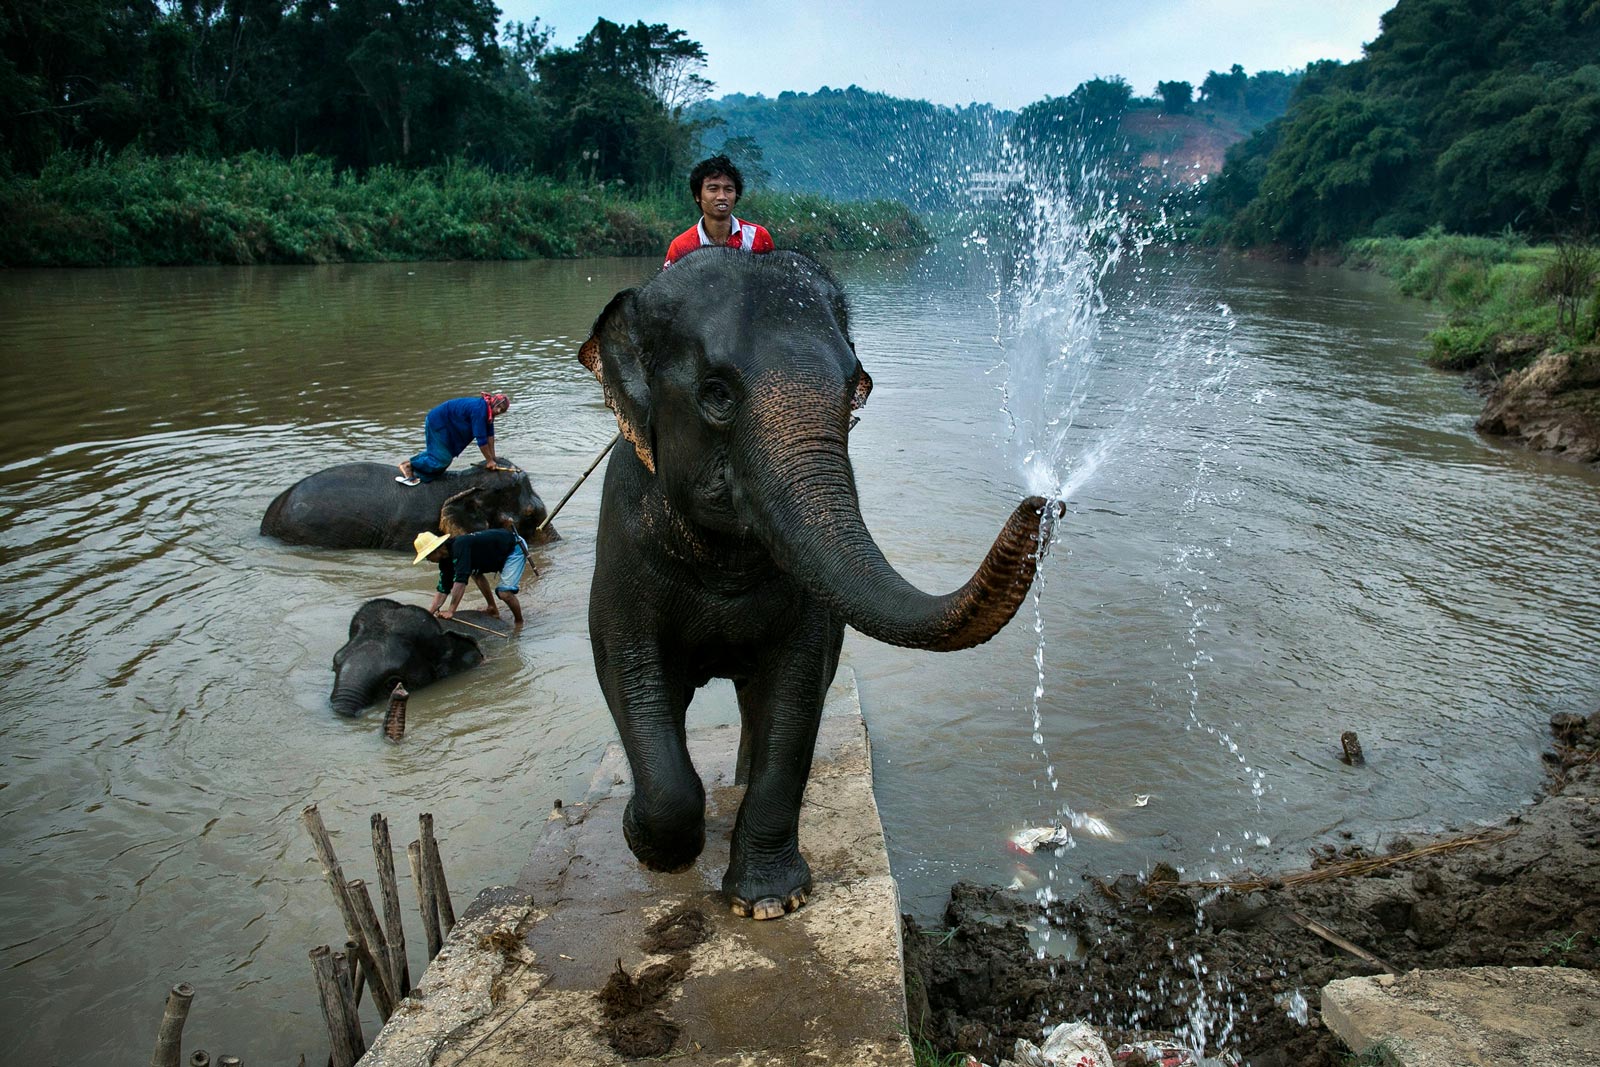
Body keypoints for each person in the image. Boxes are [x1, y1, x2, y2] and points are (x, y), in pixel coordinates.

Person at [662, 155, 774, 268]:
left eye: (729, 189)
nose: (722, 196)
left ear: (736, 195)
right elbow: (668, 285)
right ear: (697, 196)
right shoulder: (680, 246)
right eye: (713, 189)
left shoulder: (757, 237)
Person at [412, 526, 528, 624]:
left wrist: (451, 611)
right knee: (475, 573)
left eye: (427, 556)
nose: (428, 560)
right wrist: (429, 614)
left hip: (513, 547)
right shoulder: (445, 560)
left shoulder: (459, 546)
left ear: (436, 550)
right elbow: (443, 588)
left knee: (504, 593)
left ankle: (519, 622)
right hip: (495, 551)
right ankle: (492, 607)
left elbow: (460, 581)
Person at [397, 393, 511, 485]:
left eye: (502, 411)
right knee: (443, 459)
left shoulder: (489, 413)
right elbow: (481, 439)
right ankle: (409, 466)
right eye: (499, 408)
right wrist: (489, 461)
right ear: (494, 403)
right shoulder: (480, 411)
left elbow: (490, 435)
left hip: (449, 425)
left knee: (440, 455)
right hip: (439, 422)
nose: (499, 412)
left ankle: (417, 466)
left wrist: (493, 457)